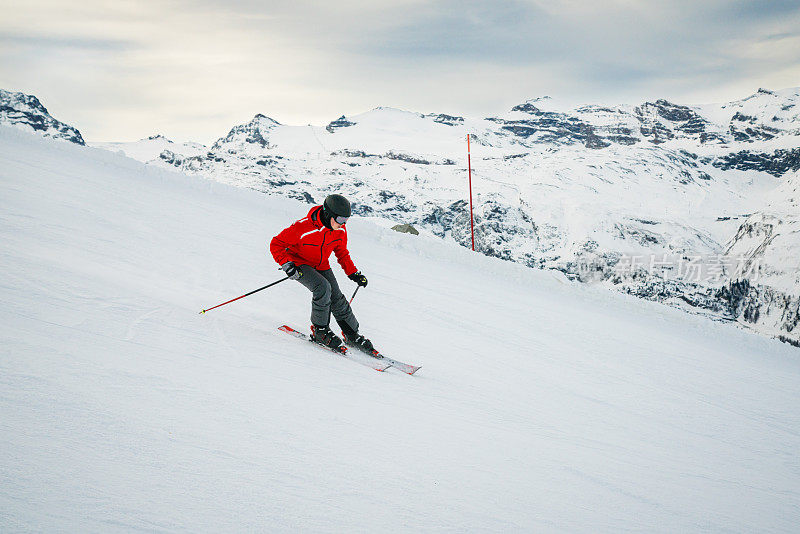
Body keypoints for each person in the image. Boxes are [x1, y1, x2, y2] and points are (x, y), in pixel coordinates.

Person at [270, 194, 373, 352]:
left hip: (320, 264)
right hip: (299, 263)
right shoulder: (302, 227)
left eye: (346, 220)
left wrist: (353, 273)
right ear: (328, 214)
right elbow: (276, 244)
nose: (343, 224)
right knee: (322, 287)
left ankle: (352, 334)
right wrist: (287, 265)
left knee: (336, 296)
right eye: (340, 220)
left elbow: (342, 253)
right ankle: (320, 331)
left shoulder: (340, 230)